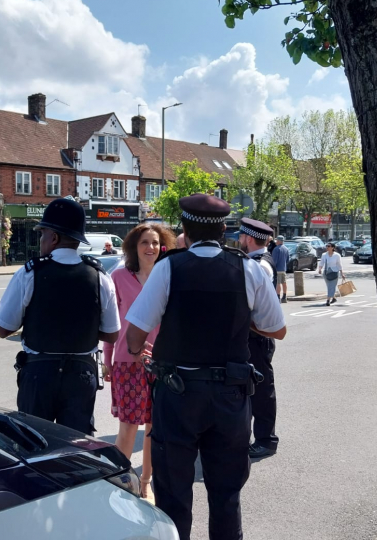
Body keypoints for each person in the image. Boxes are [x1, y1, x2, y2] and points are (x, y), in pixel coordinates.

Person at [125, 194, 286, 540]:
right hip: (230, 396)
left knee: (173, 496)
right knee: (226, 496)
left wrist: (140, 351)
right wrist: (243, 319)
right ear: (224, 230)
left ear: (184, 229)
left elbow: (135, 334)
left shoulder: (170, 266)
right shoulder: (249, 268)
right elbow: (277, 328)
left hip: (178, 395)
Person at [0, 198, 120, 435]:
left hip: (39, 375)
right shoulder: (99, 276)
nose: (40, 240)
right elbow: (112, 334)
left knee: (33, 444)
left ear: (53, 237)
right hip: (81, 375)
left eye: (42, 234)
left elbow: (3, 328)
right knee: (75, 450)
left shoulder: (30, 272)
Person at [103, 223, 175, 503]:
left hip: (161, 363)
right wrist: (107, 358)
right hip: (127, 362)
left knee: (154, 429)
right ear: (134, 246)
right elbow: (112, 322)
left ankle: (145, 483)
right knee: (128, 428)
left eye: (156, 243)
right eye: (145, 242)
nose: (151, 248)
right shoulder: (119, 276)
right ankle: (120, 482)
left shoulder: (167, 275)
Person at [238, 218, 281, 460]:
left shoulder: (260, 265)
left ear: (249, 238)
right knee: (253, 388)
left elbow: (252, 304)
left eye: (241, 237)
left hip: (257, 335)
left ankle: (266, 440)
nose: (239, 240)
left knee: (262, 390)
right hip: (254, 335)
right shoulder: (255, 261)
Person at [318, 242, 345, 306]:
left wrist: (342, 273)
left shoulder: (337, 255)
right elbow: (321, 263)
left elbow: (339, 265)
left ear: (333, 247)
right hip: (326, 273)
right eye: (326, 246)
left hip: (334, 273)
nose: (327, 247)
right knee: (329, 286)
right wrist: (320, 269)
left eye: (329, 246)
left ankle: (328, 300)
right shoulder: (324, 255)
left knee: (331, 286)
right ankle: (334, 298)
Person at [272, 236, 290, 303]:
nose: (276, 242)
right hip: (283, 268)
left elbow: (274, 260)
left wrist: (273, 267)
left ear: (279, 241)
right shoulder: (286, 249)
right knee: (284, 282)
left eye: (277, 240)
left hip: (277, 269)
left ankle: (278, 296)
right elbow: (288, 259)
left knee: (278, 283)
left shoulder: (276, 249)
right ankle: (284, 296)